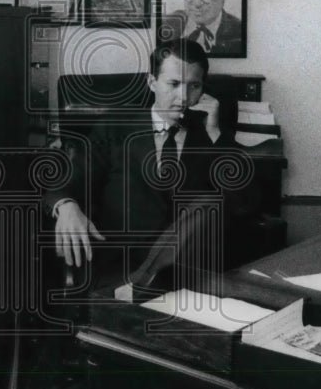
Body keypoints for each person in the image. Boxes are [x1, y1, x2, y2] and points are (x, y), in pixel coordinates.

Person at [44, 39, 243, 291]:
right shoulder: (115, 127)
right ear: (152, 83)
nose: (183, 97)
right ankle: (143, 282)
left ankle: (144, 283)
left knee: (209, 205)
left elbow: (244, 201)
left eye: (194, 86)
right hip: (120, 266)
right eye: (173, 84)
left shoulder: (208, 134)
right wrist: (67, 206)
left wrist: (217, 135)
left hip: (189, 274)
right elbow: (64, 181)